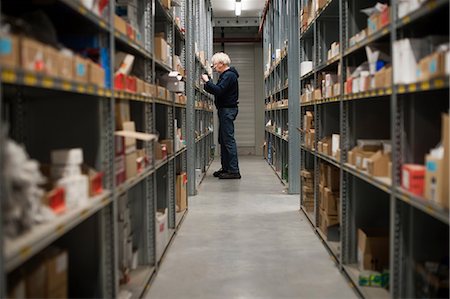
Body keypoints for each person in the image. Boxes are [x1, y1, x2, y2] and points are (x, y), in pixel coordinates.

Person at [201, 52, 241, 179]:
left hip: (227, 110)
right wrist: (208, 85)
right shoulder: (226, 75)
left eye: (214, 65)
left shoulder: (228, 76)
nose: (213, 67)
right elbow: (218, 90)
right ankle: (226, 168)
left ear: (221, 64)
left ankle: (234, 171)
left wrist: (207, 82)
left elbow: (218, 91)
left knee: (228, 140)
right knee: (223, 140)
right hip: (225, 110)